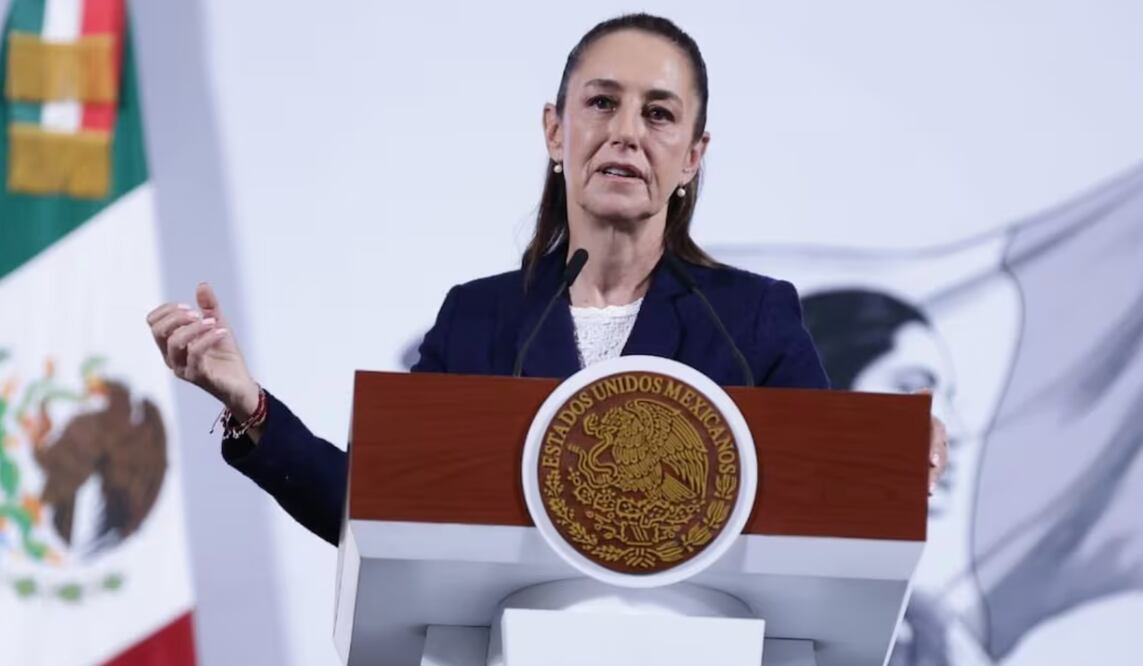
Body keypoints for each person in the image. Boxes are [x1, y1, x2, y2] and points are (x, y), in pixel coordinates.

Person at [144, 13, 949, 547]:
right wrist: (248, 403)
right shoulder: (482, 318)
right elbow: (374, 510)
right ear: (555, 130)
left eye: (659, 114)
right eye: (602, 104)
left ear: (692, 157)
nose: (626, 133)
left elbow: (826, 491)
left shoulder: (752, 318)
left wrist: (892, 462)